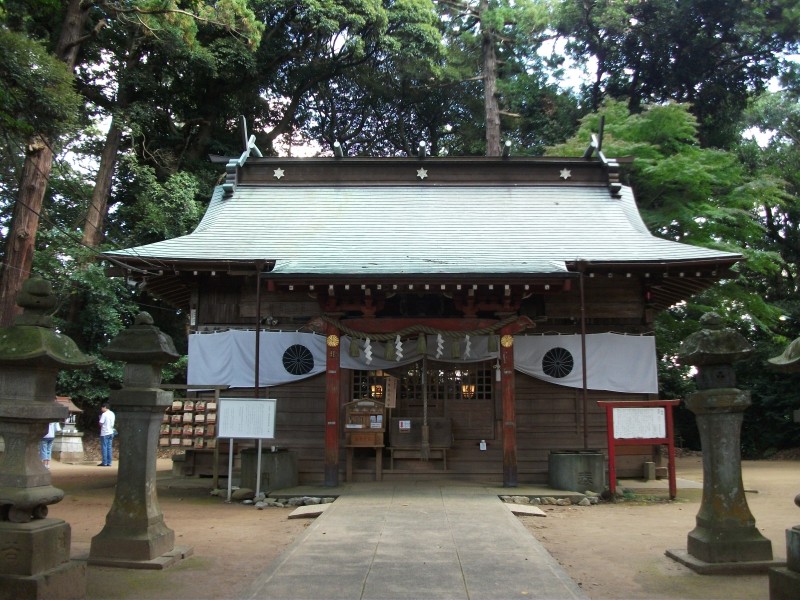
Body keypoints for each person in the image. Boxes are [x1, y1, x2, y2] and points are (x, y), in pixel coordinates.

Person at [98, 402, 116, 466]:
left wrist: (100, 418)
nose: (101, 409)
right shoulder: (112, 413)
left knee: (104, 447)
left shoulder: (104, 414)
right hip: (111, 432)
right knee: (109, 447)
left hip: (105, 432)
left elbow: (101, 423)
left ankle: (104, 462)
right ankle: (109, 462)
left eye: (102, 408)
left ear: (105, 407)